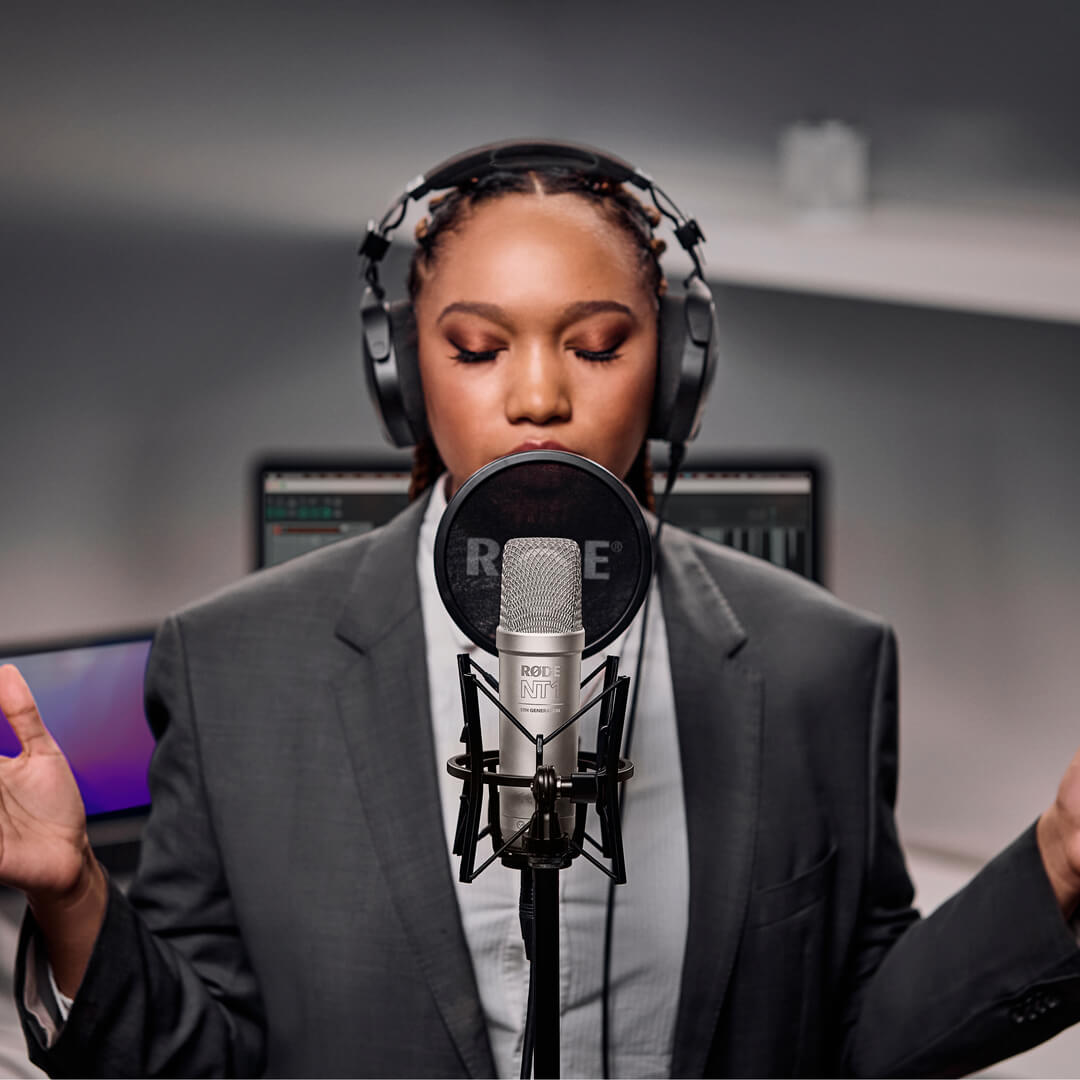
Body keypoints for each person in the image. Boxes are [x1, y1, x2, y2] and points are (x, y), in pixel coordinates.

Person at [3, 142, 1080, 1078]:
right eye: (476, 349)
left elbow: (864, 1037)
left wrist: (1062, 863)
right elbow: (196, 1061)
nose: (535, 397)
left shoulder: (820, 664)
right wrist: (76, 897)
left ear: (674, 374)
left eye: (598, 345)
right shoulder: (231, 665)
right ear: (403, 374)